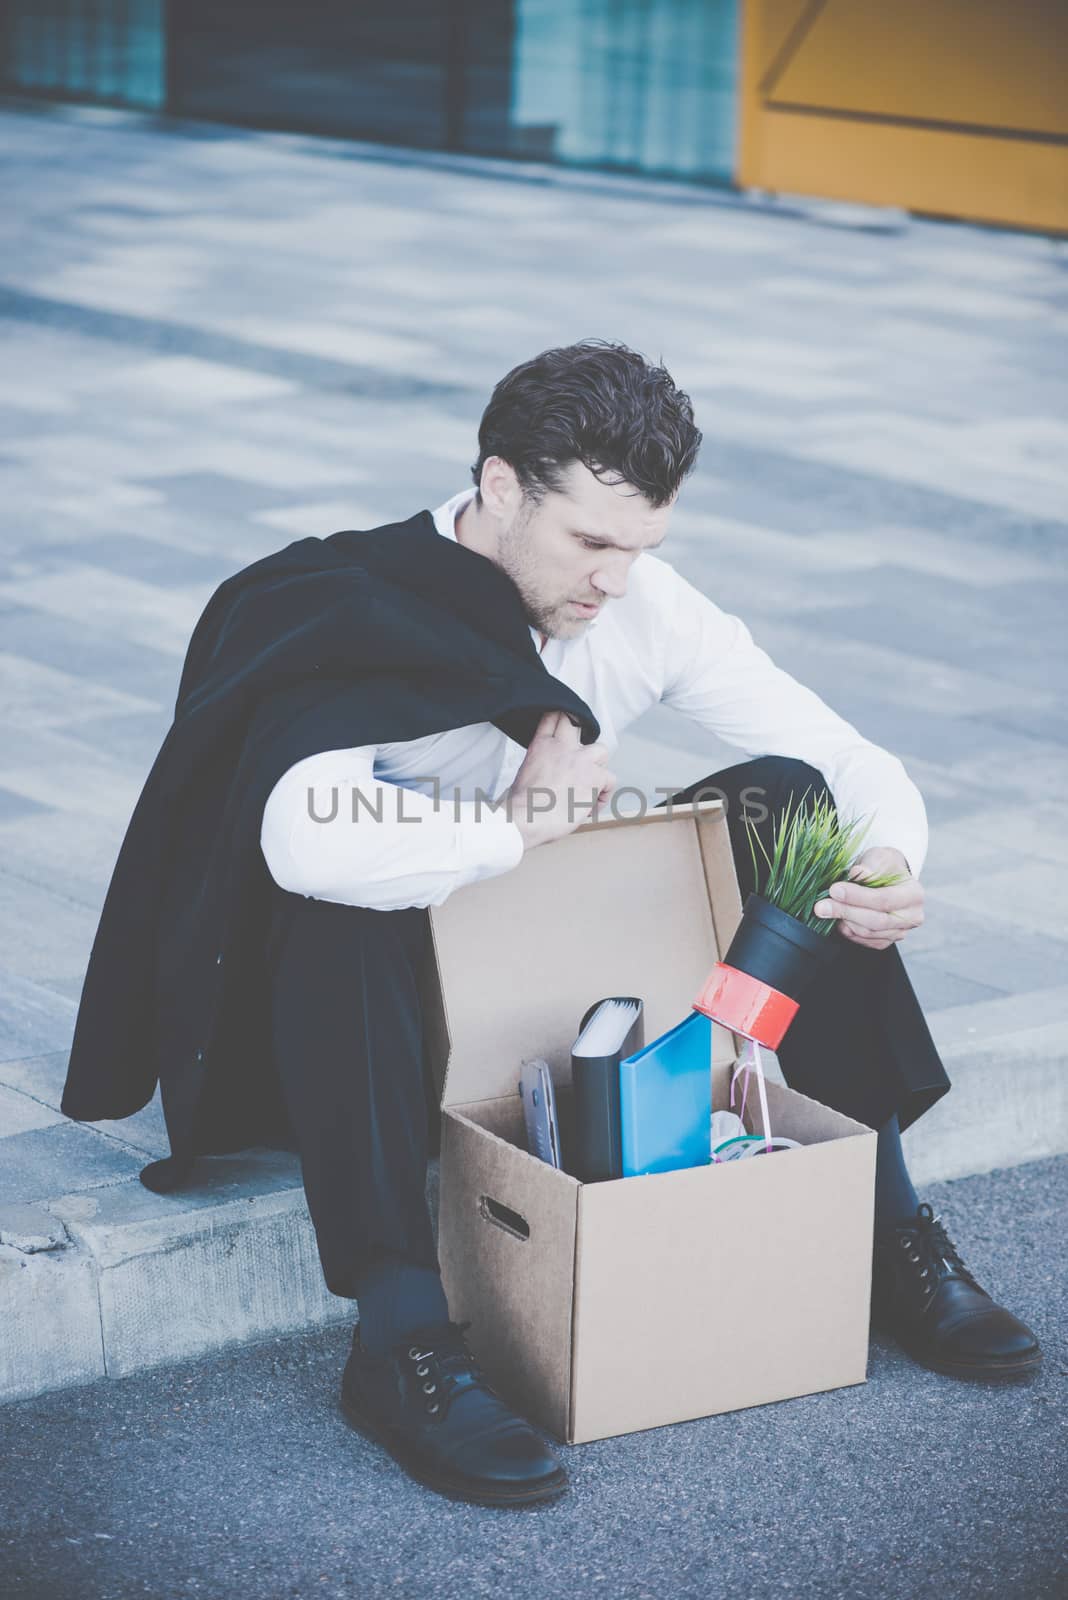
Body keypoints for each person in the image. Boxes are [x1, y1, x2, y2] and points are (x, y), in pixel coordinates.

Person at [69, 339, 1042, 1512]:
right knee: (346, 896)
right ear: (496, 488)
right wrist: (515, 830)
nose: (616, 581)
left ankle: (884, 1226)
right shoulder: (348, 601)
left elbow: (845, 756)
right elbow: (298, 837)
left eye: (642, 548)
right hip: (370, 1010)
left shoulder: (638, 602)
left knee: (792, 801)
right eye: (590, 542)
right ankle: (399, 1338)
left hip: (544, 966)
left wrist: (887, 864)